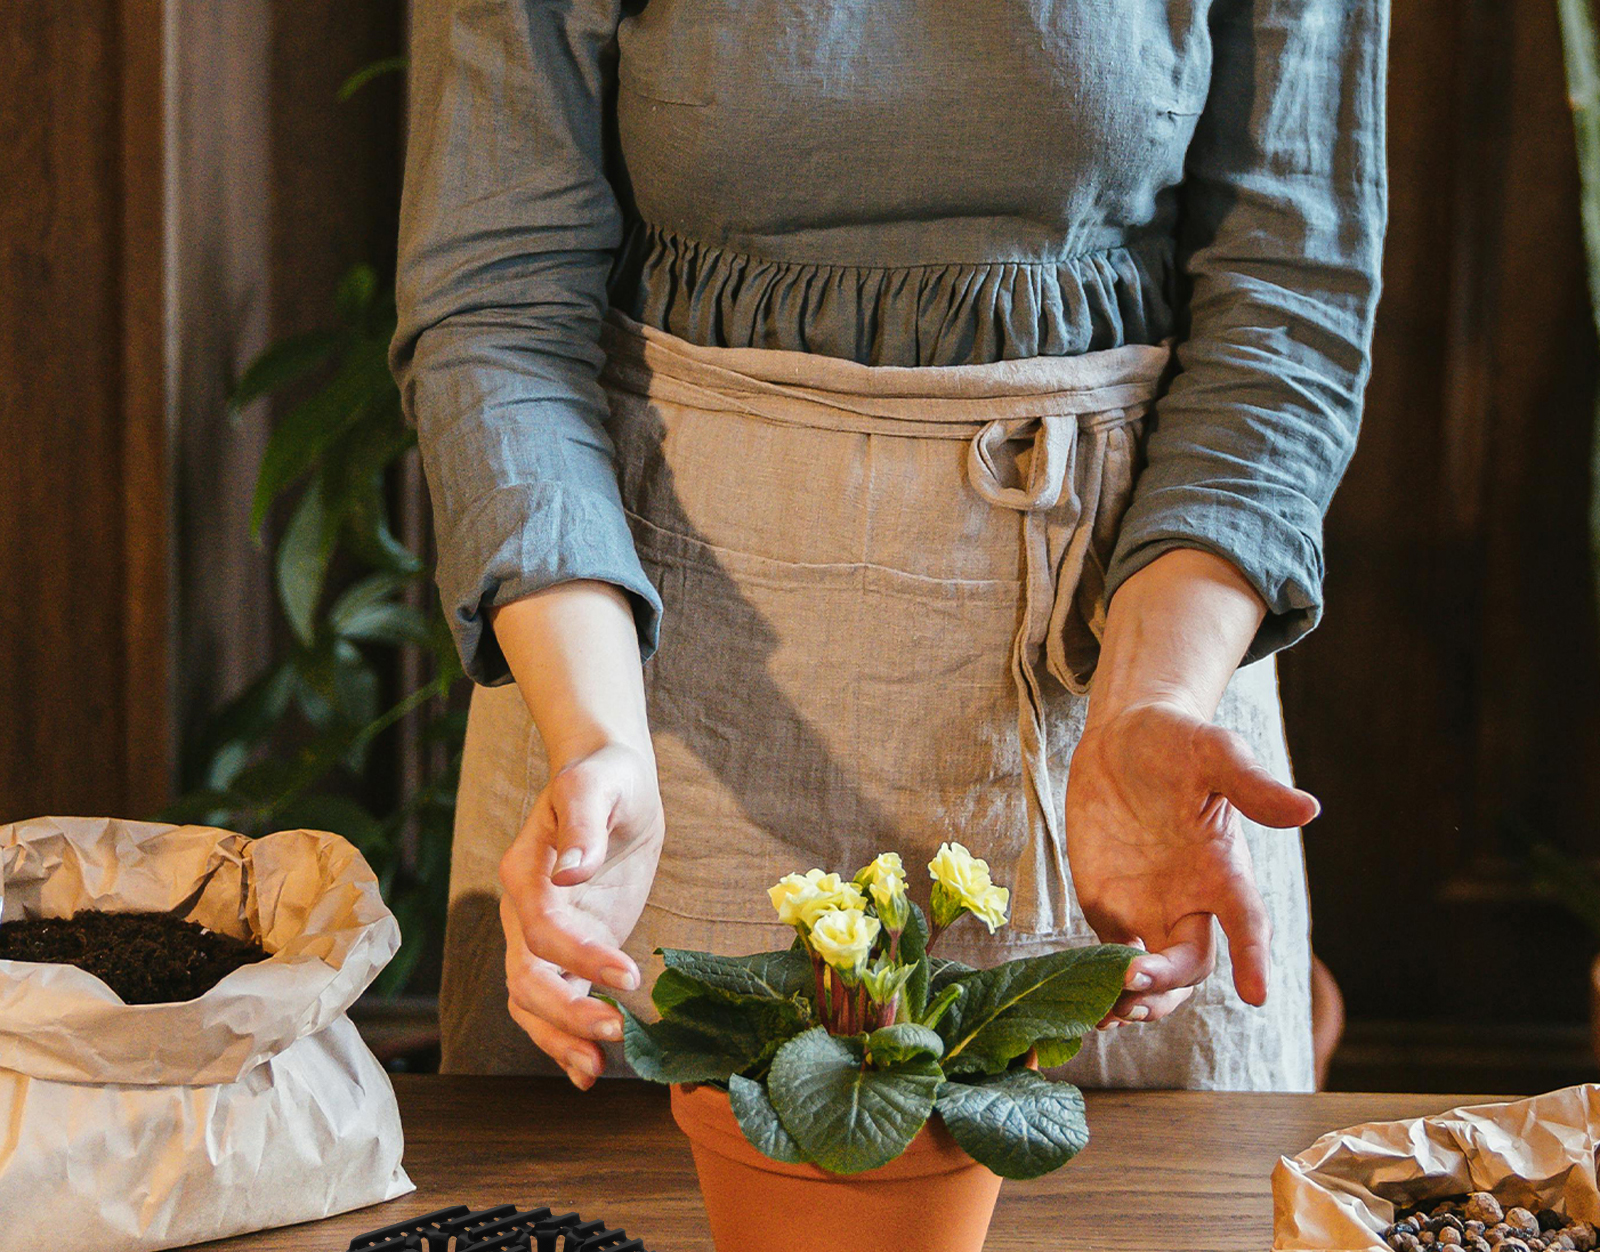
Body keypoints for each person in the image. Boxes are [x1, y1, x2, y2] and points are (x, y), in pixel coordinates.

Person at [392, 0, 1387, 1092]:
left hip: (1128, 715)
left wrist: (1157, 700)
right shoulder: (607, 744)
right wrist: (596, 740)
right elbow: (497, 301)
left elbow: (1287, 304)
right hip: (630, 706)